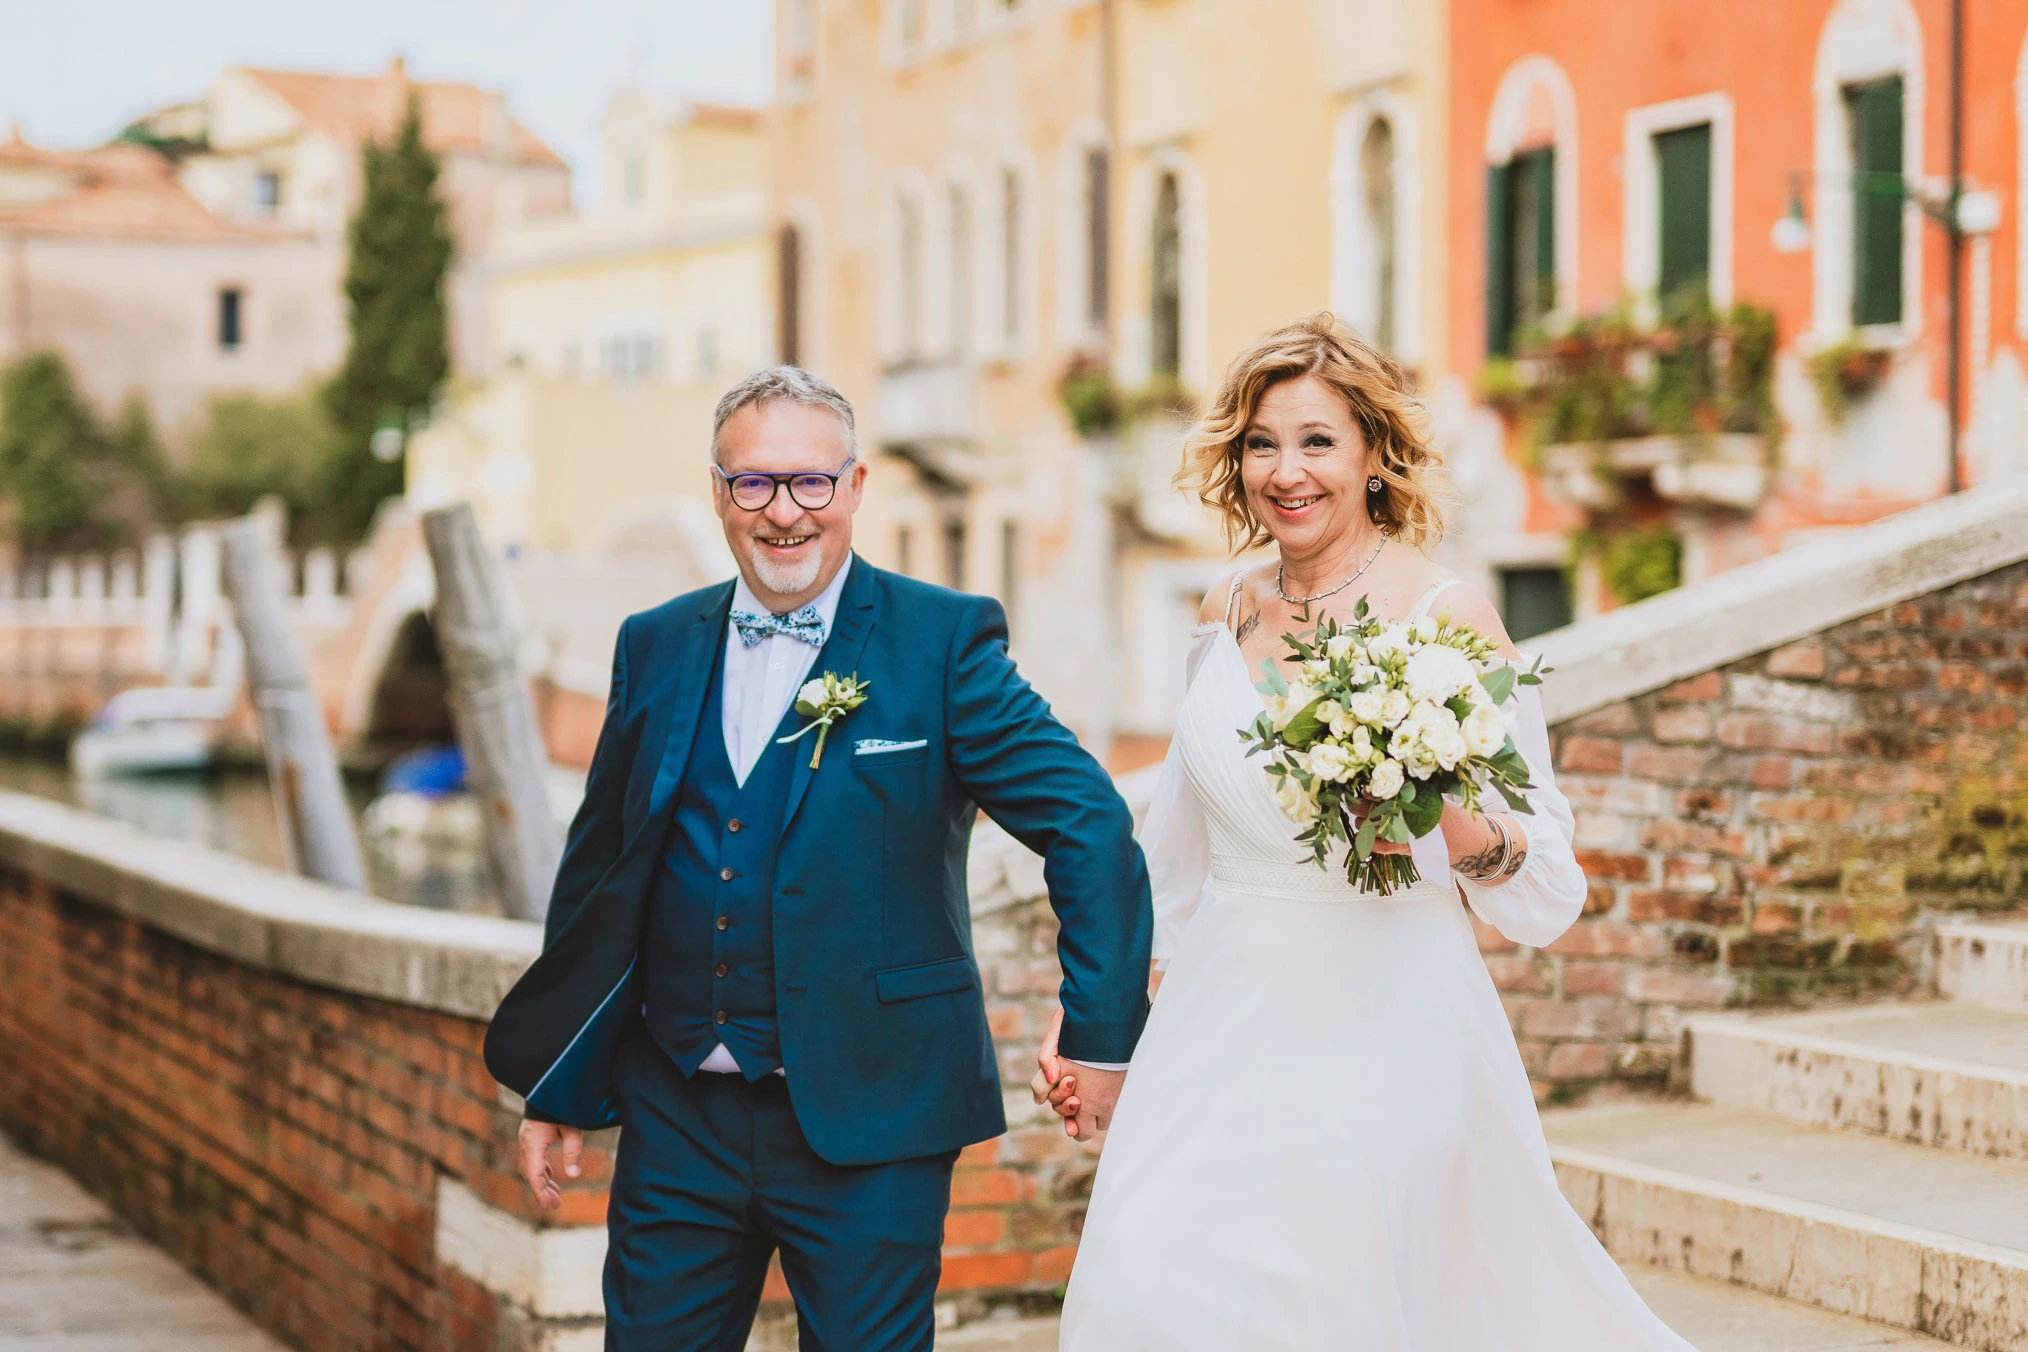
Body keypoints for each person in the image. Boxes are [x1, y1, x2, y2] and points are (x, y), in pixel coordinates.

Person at [1035, 315, 1698, 1351]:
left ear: (1376, 454)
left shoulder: (1448, 614)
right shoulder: (1226, 607)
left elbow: (1543, 884)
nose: (1285, 471)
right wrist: (1098, 1015)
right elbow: (1171, 855)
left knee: (1329, 1308)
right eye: (1262, 443)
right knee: (1137, 1288)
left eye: (1316, 441)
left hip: (1384, 1021)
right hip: (1217, 1021)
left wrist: (1441, 805)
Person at [483, 366, 1152, 1351]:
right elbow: (601, 876)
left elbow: (1089, 822)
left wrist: (1099, 1032)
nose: (784, 511)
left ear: (855, 487)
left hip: (872, 1117)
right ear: (719, 492)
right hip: (678, 1116)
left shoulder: (941, 643)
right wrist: (561, 1079)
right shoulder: (656, 644)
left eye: (810, 483)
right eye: (754, 484)